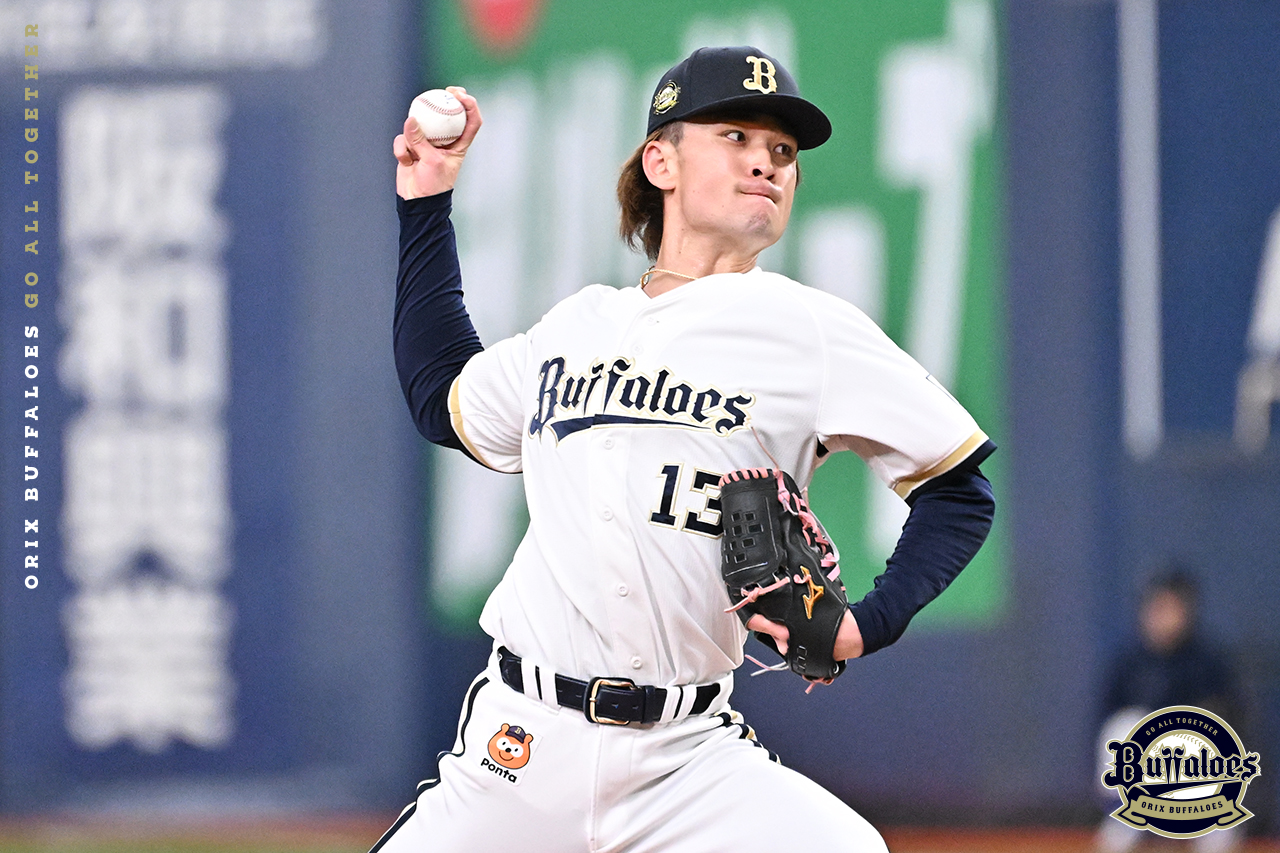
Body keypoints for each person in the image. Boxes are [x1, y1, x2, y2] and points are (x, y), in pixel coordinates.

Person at [372, 47, 996, 853]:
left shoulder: (810, 331)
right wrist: (426, 199)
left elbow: (958, 489)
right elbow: (442, 397)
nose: (766, 163)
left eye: (783, 151)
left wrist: (867, 623)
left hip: (686, 761)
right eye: (736, 136)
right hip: (520, 748)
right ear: (660, 162)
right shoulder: (575, 327)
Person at [1094, 568, 1244, 853]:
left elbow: (1230, 733)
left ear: (1187, 612)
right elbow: (1105, 726)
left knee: (1219, 837)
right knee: (1124, 725)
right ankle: (1127, 815)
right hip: (1142, 778)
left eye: (1171, 608)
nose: (1163, 617)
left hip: (1197, 778)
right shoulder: (1128, 664)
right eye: (1157, 608)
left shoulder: (1208, 664)